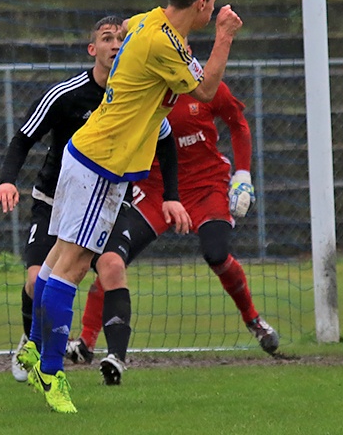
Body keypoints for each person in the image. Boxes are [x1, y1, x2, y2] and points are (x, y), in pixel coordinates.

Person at [16, 0, 242, 414]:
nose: (213, 11)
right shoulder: (161, 41)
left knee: (57, 261)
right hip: (104, 164)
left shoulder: (146, 22)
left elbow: (175, 78)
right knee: (72, 269)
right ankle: (52, 374)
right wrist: (224, 37)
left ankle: (34, 349)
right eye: (212, 6)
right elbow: (204, 89)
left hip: (89, 153)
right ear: (202, 5)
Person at [0, 15, 188, 384]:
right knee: (37, 281)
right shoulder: (66, 95)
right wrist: (6, 181)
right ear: (92, 49)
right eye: (107, 38)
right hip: (55, 202)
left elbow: (166, 143)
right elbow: (23, 138)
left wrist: (171, 197)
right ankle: (35, 343)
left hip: (109, 202)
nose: (115, 44)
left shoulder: (137, 95)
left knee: (111, 267)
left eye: (121, 39)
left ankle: (114, 360)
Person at [65, 80, 280, 382]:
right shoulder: (142, 87)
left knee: (216, 255)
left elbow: (239, 124)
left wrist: (242, 174)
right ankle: (86, 343)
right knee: (111, 259)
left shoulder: (207, 86)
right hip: (156, 190)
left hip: (205, 186)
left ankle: (253, 320)